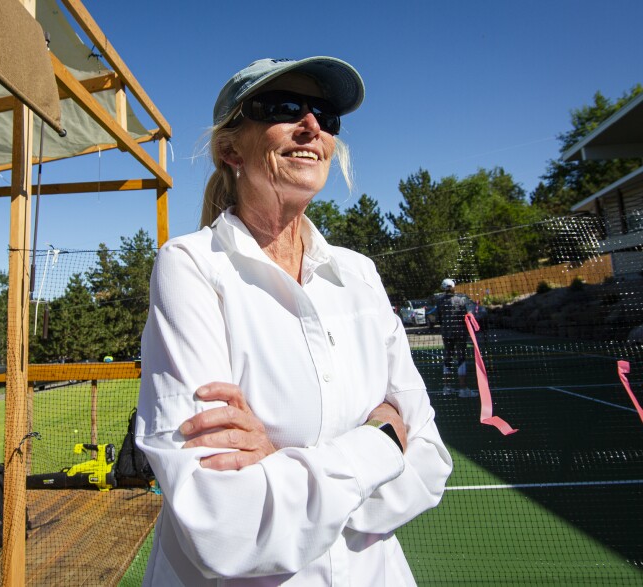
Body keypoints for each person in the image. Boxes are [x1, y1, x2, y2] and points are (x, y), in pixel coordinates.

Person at [136, 57, 453, 586]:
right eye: (283, 108)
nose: (311, 126)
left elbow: (430, 465)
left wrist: (278, 465)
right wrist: (380, 442)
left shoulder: (359, 274)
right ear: (230, 148)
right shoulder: (190, 265)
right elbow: (223, 524)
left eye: (326, 116)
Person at [436, 278, 478, 398]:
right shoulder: (461, 300)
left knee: (448, 357)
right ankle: (463, 389)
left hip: (446, 333)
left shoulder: (439, 301)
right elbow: (468, 315)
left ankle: (447, 387)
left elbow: (439, 318)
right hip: (460, 333)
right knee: (461, 358)